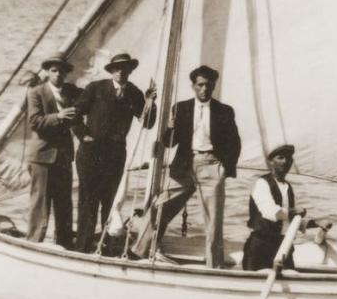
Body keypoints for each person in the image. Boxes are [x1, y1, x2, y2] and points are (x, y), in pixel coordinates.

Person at [132, 65, 240, 267]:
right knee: (160, 206)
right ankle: (139, 252)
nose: (205, 89)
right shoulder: (181, 108)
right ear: (193, 86)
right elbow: (169, 142)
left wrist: (226, 168)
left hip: (211, 165)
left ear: (214, 86)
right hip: (183, 165)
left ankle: (213, 264)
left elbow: (234, 143)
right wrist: (170, 128)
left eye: (209, 85)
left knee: (213, 219)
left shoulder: (224, 111)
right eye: (200, 85)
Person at [72, 52, 156, 253]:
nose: (121, 72)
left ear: (129, 71)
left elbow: (148, 122)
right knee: (88, 201)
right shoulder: (96, 88)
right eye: (117, 68)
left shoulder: (134, 93)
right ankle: (82, 248)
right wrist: (83, 136)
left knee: (111, 201)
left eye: (125, 68)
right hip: (90, 154)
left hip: (115, 156)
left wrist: (150, 102)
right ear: (111, 71)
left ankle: (107, 248)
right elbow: (75, 114)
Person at [25, 52, 80, 247]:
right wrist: (59, 116)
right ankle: (32, 243)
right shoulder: (36, 92)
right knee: (40, 206)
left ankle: (65, 244)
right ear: (47, 72)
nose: (58, 75)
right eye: (54, 71)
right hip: (42, 157)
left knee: (64, 204)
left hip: (63, 158)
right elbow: (34, 121)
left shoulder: (71, 92)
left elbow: (91, 98)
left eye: (61, 71)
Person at [242, 144, 303, 271]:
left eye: (289, 159)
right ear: (270, 161)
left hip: (282, 247)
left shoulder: (288, 187)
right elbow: (272, 213)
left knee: (292, 275)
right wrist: (295, 212)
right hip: (261, 247)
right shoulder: (262, 183)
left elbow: (288, 220)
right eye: (280, 158)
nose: (285, 162)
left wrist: (313, 224)